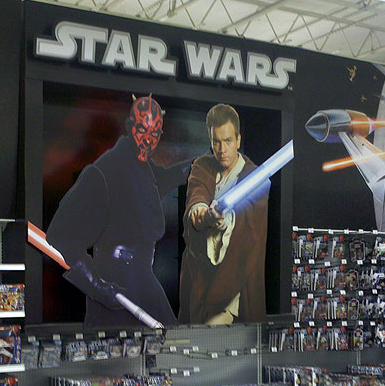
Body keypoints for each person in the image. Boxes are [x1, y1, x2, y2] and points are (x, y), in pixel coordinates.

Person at [46, 95, 188, 328]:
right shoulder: (104, 171)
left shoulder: (143, 168)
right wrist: (97, 286)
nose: (148, 140)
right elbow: (60, 234)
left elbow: (165, 178)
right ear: (130, 126)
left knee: (168, 337)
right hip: (115, 281)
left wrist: (201, 166)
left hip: (143, 277)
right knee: (115, 343)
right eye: (142, 130)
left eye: (155, 134)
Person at [179, 103, 268, 324]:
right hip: (202, 280)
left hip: (236, 282)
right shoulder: (202, 166)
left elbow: (250, 230)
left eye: (228, 141)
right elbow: (197, 196)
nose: (222, 149)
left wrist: (222, 221)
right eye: (216, 141)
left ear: (238, 140)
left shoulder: (255, 178)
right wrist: (202, 213)